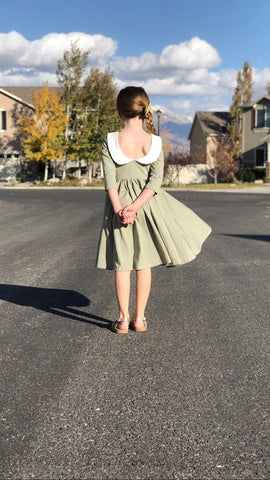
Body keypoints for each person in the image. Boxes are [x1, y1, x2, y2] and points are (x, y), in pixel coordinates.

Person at [96, 86, 211, 334]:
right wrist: (136, 207)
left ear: (119, 112)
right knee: (143, 263)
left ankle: (123, 320)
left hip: (119, 208)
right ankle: (140, 319)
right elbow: (154, 183)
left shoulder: (110, 140)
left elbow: (110, 182)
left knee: (122, 263)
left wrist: (120, 210)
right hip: (146, 206)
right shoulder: (155, 142)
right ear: (145, 109)